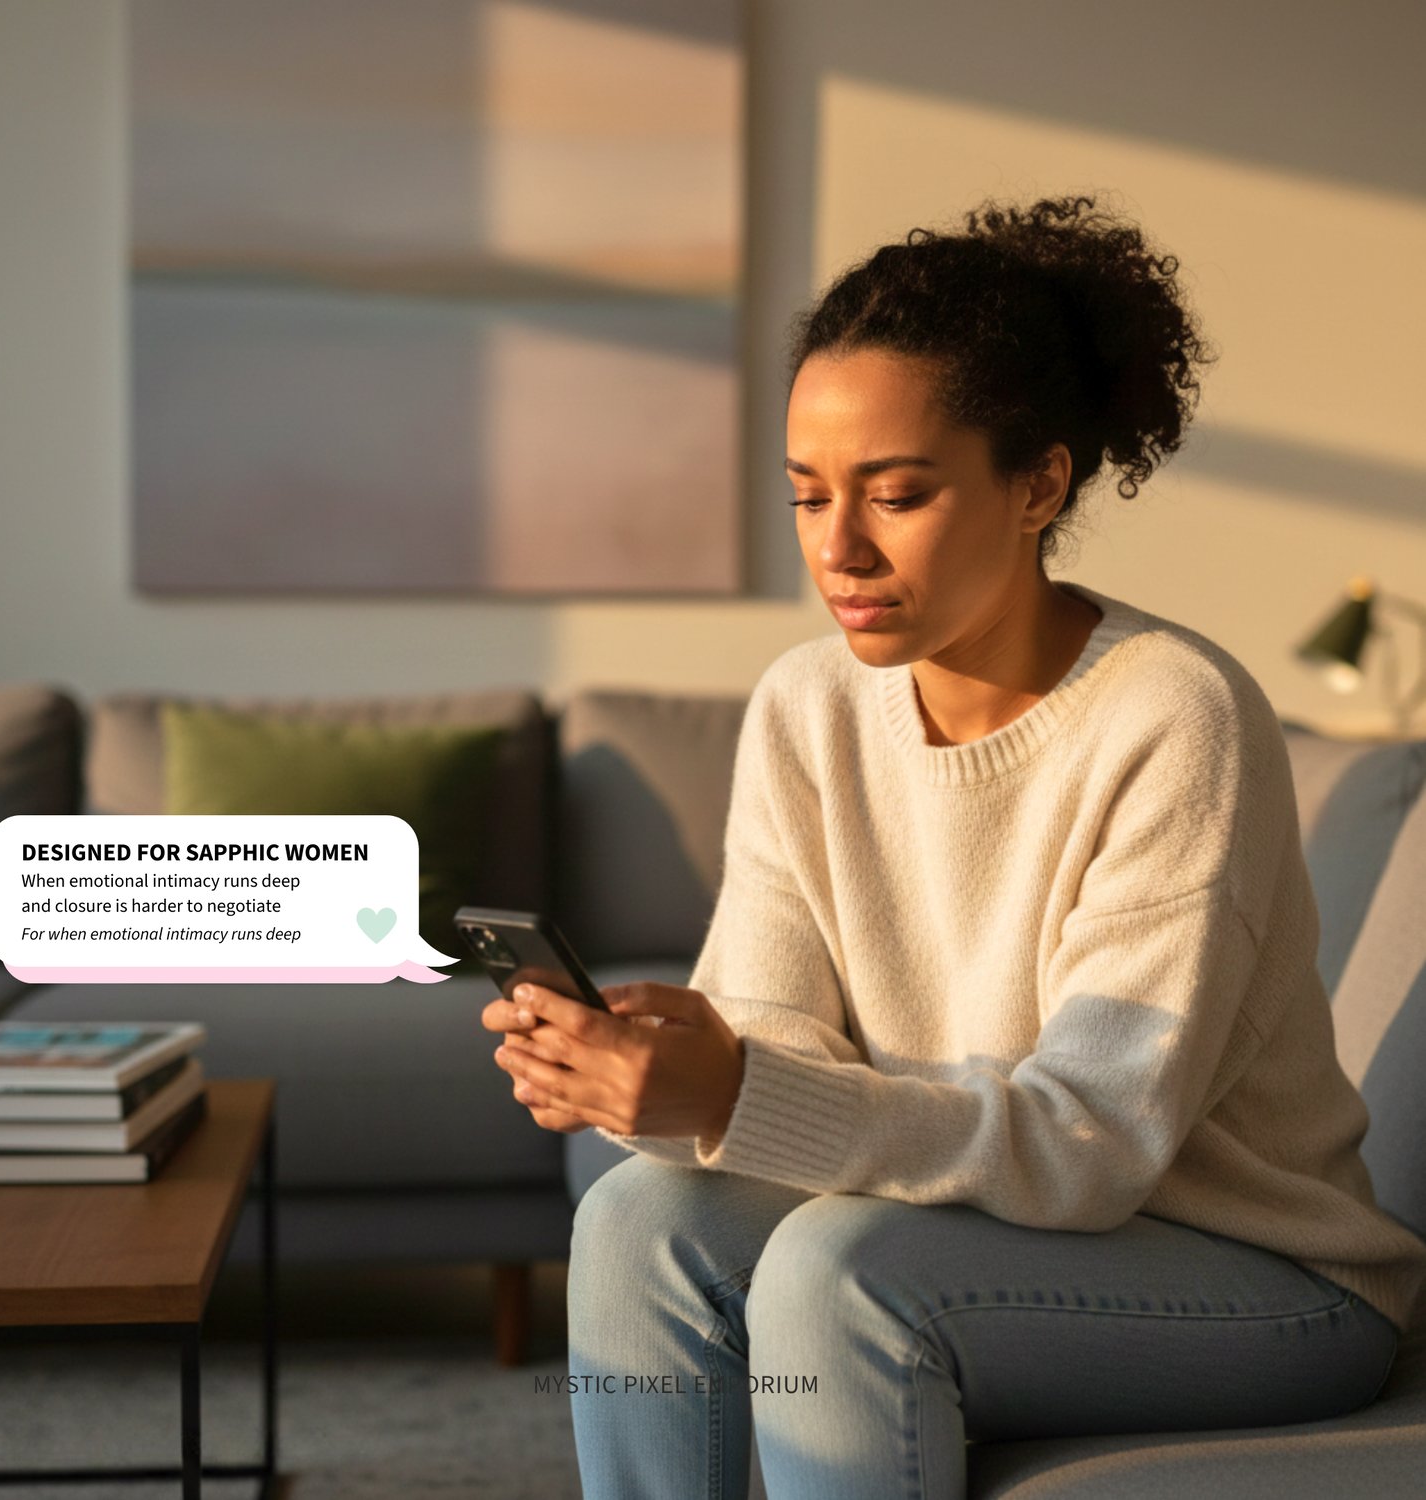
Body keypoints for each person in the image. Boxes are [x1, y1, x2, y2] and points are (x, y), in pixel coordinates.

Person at [480, 192, 1426, 1499]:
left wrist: (736, 1094)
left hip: (1261, 1280)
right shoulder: (809, 707)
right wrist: (675, 1075)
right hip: (984, 1224)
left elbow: (1093, 1144)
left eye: (899, 494)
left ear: (1038, 482)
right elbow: (781, 1039)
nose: (838, 548)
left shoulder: (1173, 716)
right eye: (809, 496)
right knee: (638, 1218)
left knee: (834, 1275)